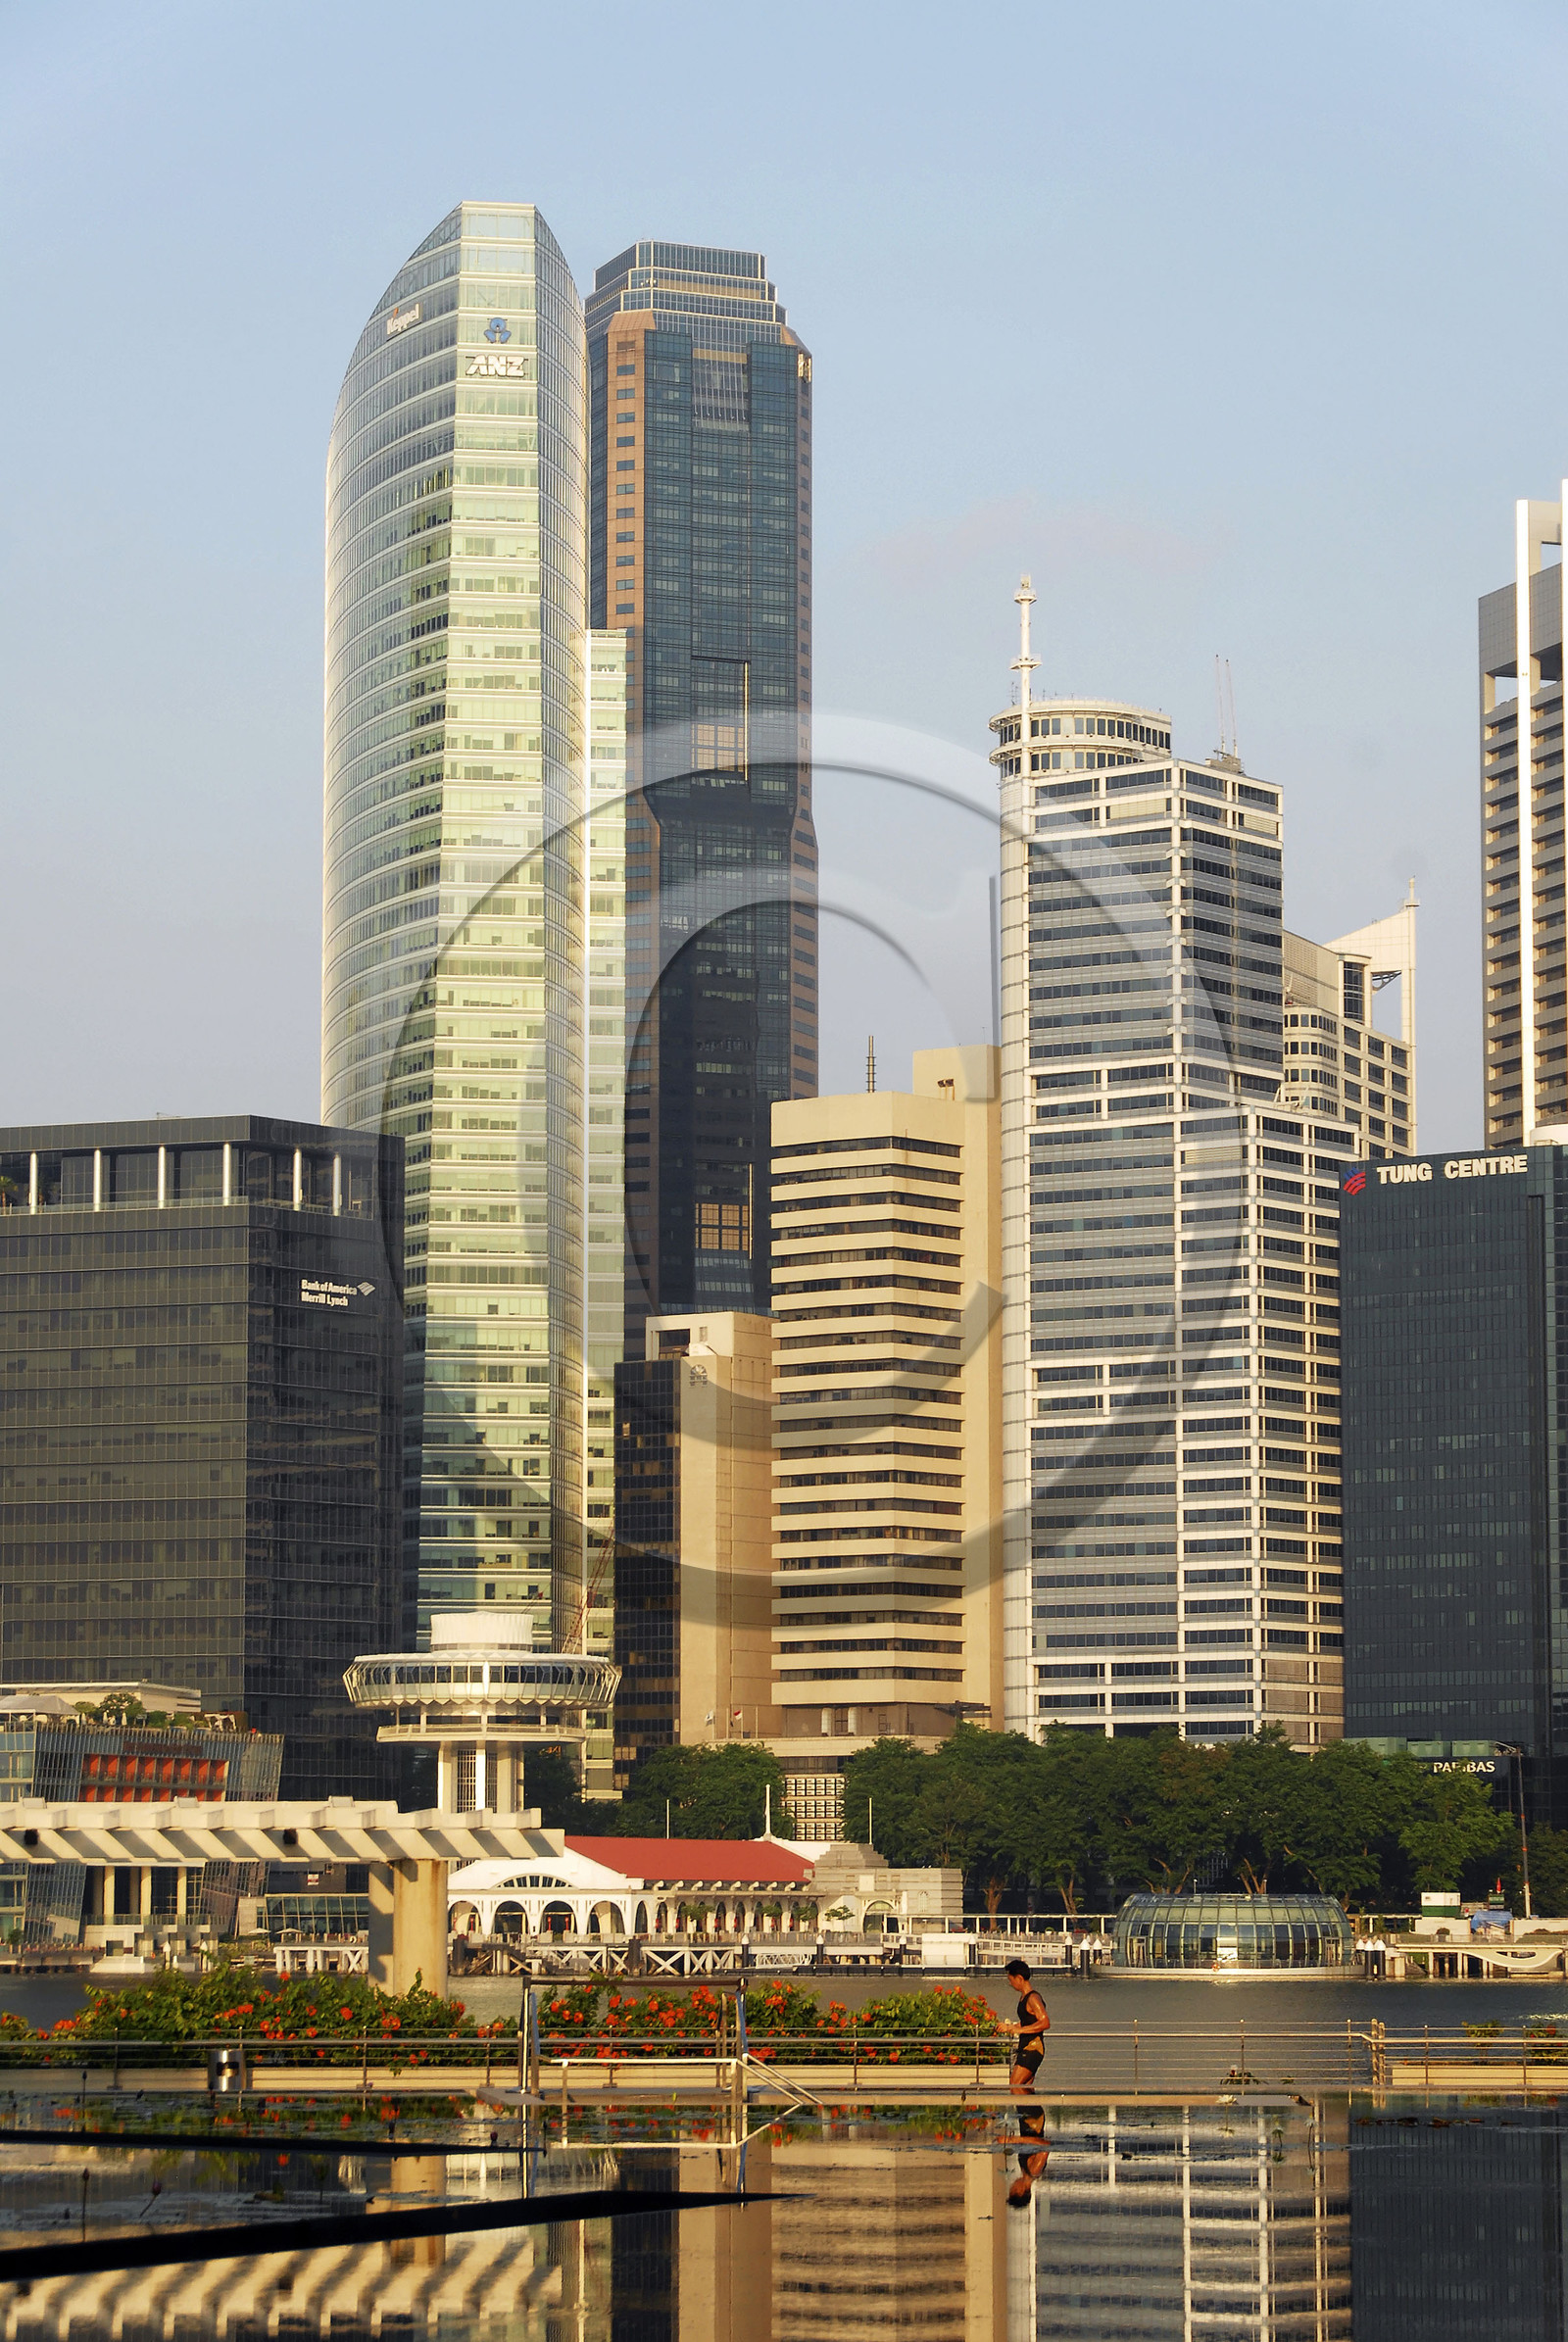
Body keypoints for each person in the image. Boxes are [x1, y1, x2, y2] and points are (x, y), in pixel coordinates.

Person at [1004, 1957, 1050, 2093]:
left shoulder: (1033, 1998)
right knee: (1025, 2088)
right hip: (1026, 2047)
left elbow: (1045, 2022)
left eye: (1011, 1980)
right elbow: (1029, 2021)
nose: (1011, 1984)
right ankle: (1032, 2114)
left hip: (1033, 2048)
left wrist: (1019, 2029)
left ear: (1019, 1978)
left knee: (1015, 2085)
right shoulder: (1024, 1998)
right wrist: (1013, 2027)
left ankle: (1033, 2114)